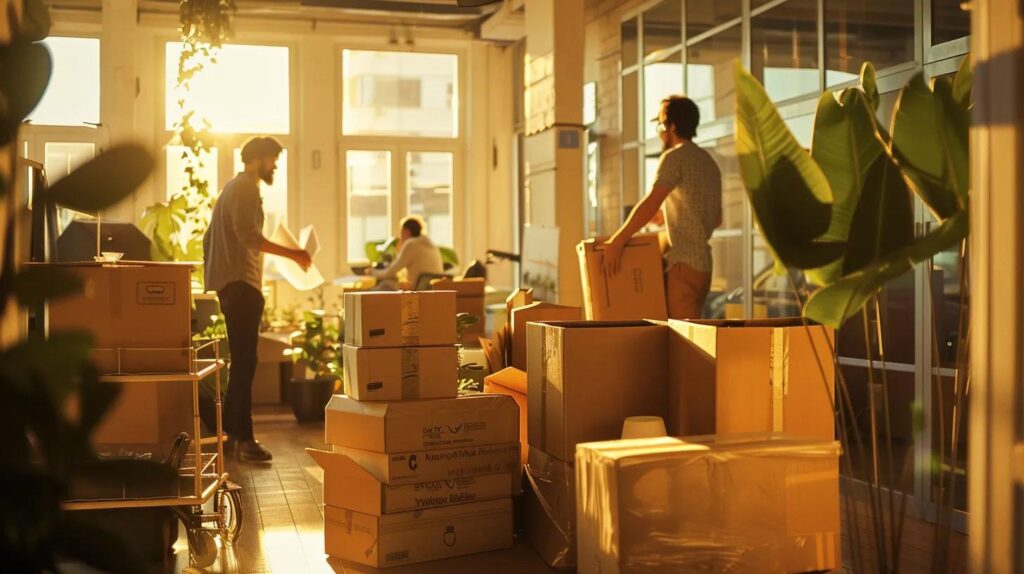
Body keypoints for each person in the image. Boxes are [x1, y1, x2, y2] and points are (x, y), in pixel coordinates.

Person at [203, 136, 311, 463]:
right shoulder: (246, 188)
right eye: (272, 159)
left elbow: (210, 239)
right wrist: (294, 254)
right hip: (240, 284)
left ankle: (236, 436)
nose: (275, 165)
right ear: (257, 159)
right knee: (245, 362)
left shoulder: (231, 190)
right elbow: (248, 235)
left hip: (230, 283)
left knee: (243, 361)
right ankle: (243, 438)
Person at [602, 95, 722, 320]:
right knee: (693, 333)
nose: (658, 132)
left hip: (682, 265)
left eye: (660, 124)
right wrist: (674, 219)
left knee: (684, 343)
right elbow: (716, 219)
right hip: (704, 267)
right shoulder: (708, 162)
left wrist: (617, 242)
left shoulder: (674, 157)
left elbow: (651, 202)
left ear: (672, 126)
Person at [367, 215, 444, 290]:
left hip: (417, 290)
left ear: (406, 231)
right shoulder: (432, 245)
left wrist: (373, 272)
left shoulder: (411, 244)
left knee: (385, 284)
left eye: (401, 232)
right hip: (433, 290)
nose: (401, 236)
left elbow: (390, 272)